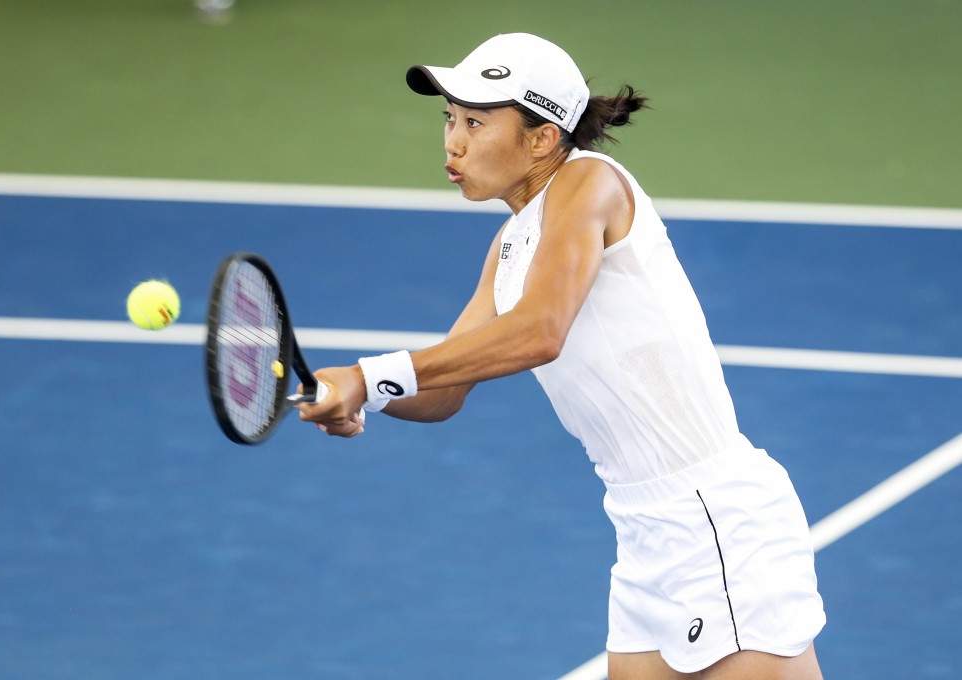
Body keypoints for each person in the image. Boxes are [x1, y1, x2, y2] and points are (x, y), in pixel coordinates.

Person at [298, 32, 826, 679]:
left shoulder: (590, 183)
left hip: (715, 518)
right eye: (449, 118)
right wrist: (361, 396)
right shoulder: (510, 245)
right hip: (642, 531)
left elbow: (541, 329)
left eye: (475, 121)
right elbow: (443, 387)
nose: (452, 141)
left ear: (542, 137)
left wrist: (369, 375)